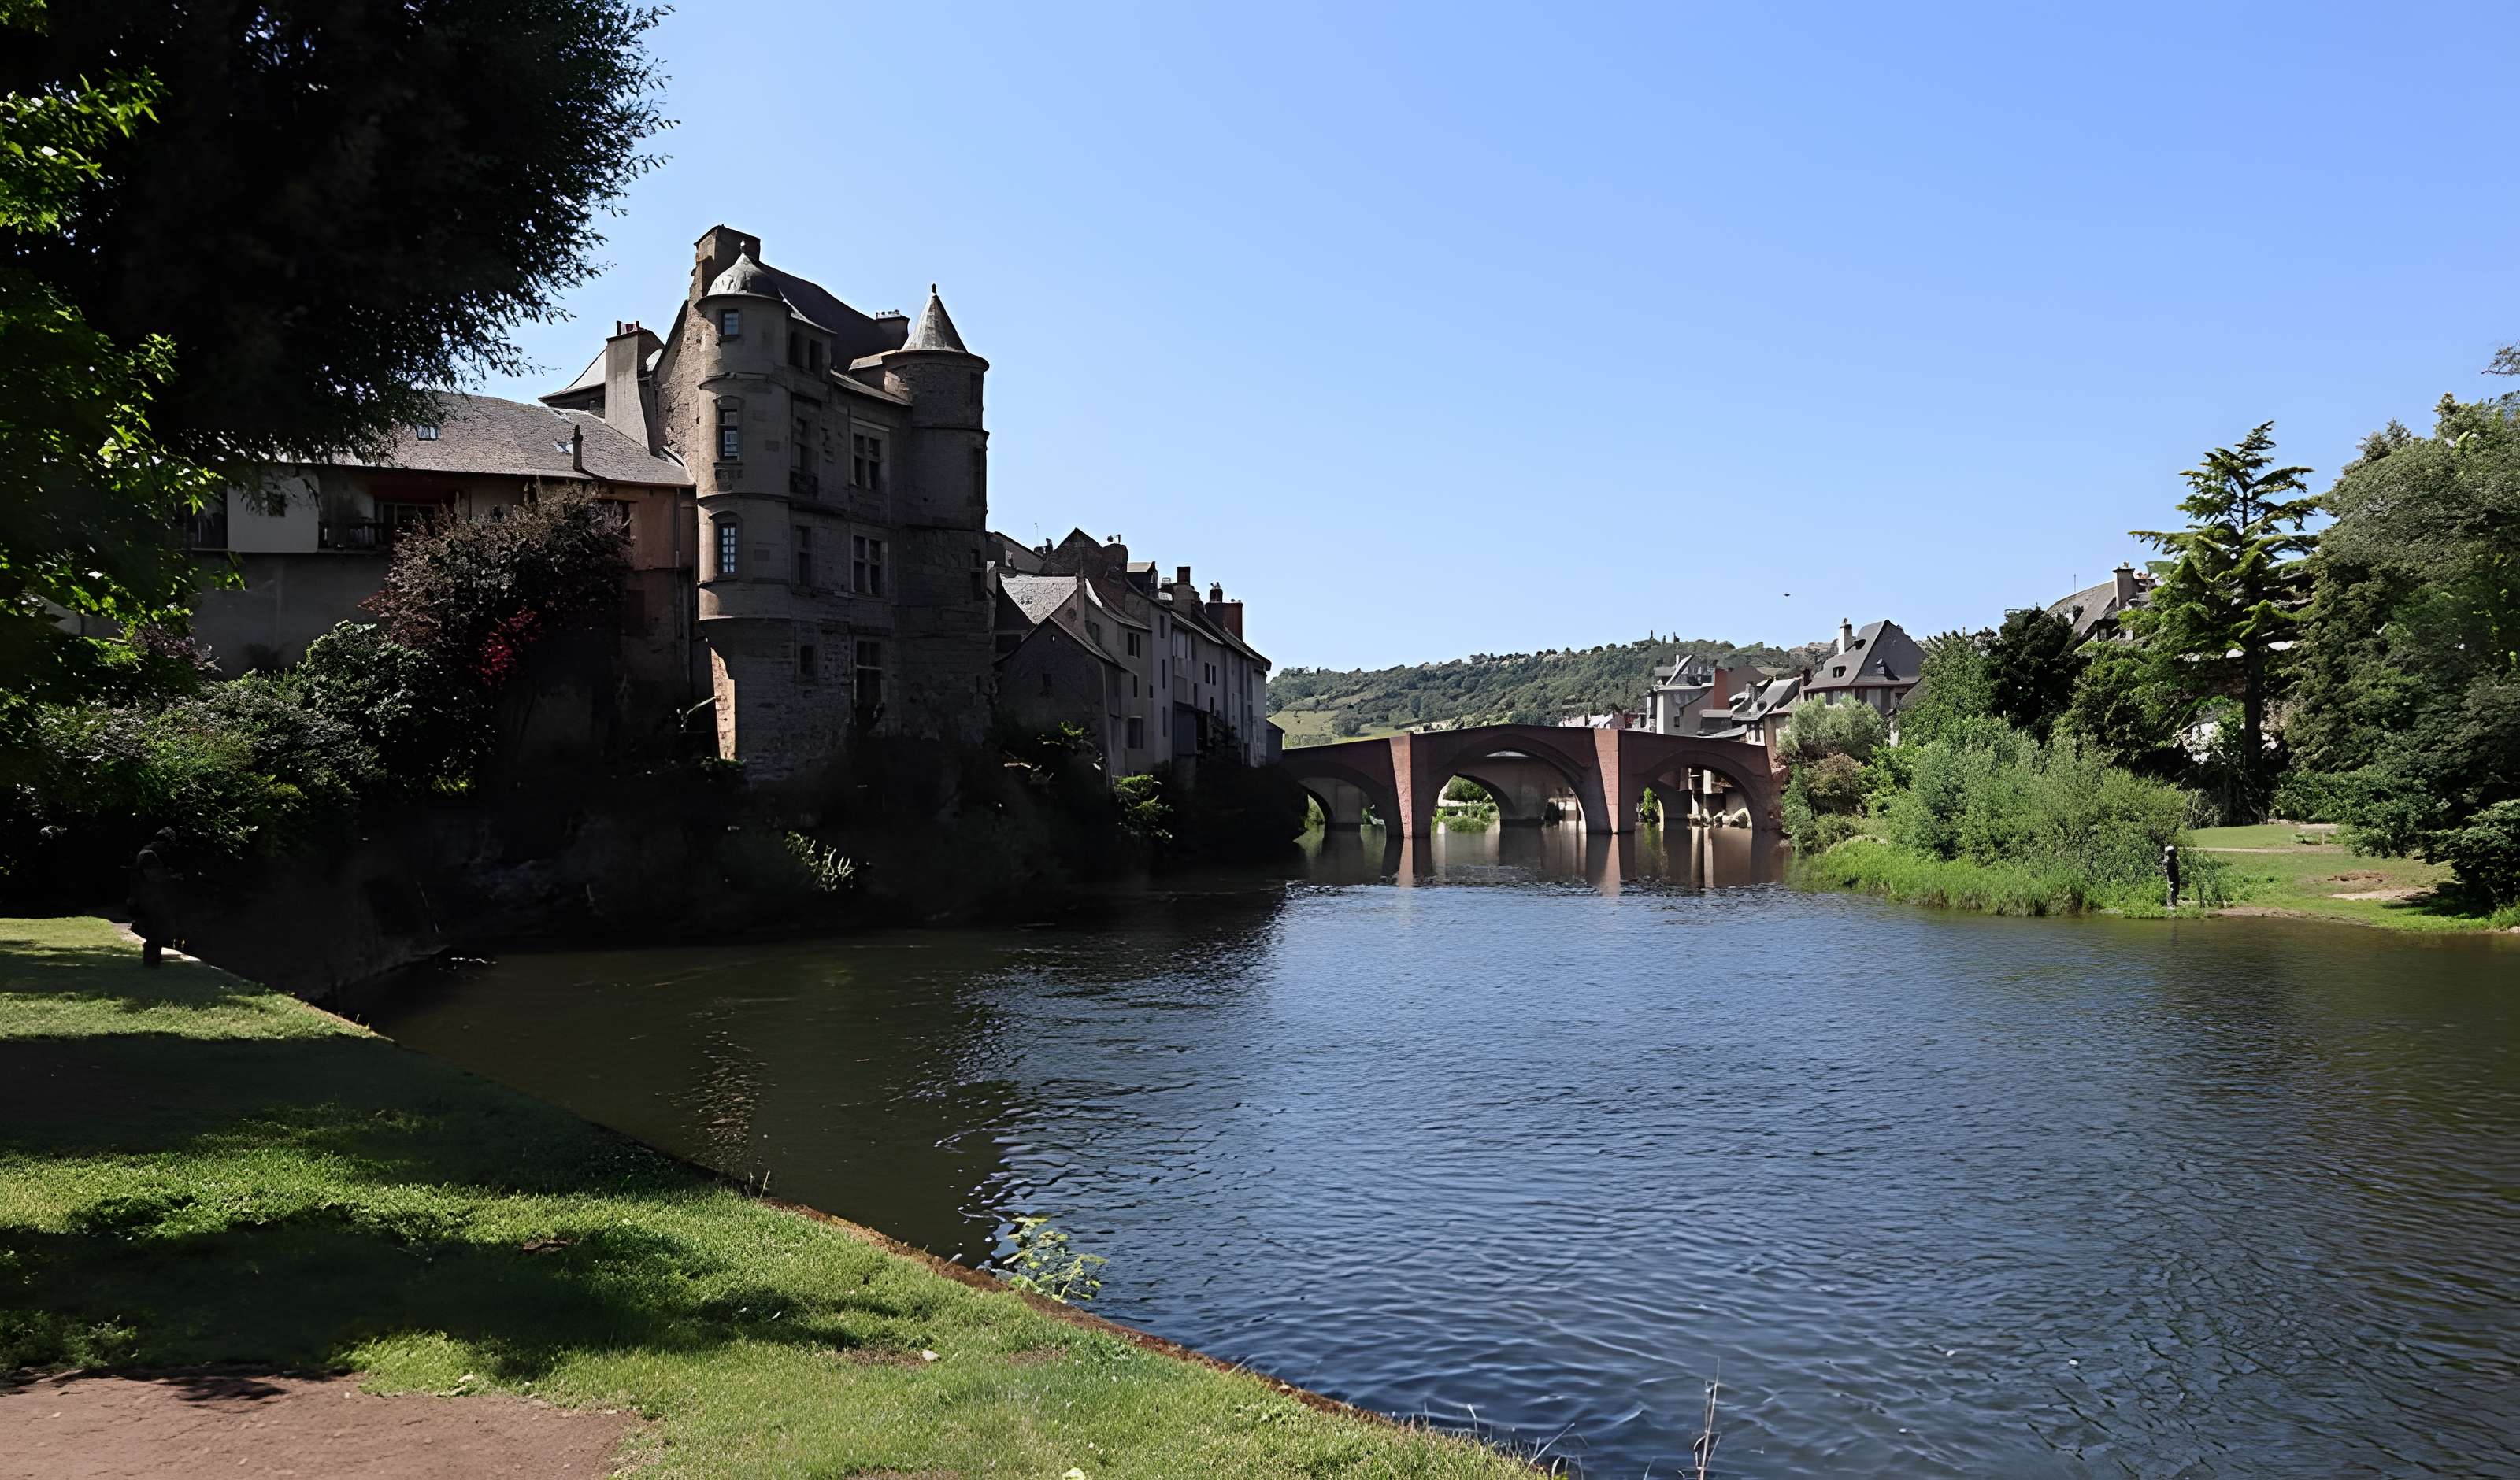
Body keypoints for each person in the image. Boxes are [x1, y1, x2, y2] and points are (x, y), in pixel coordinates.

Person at [2163, 841, 2182, 909]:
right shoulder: (2173, 863)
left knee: (2172, 889)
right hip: (2174, 878)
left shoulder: (2170, 863)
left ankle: (2172, 904)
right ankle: (2173, 904)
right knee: (2173, 890)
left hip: (2172, 878)